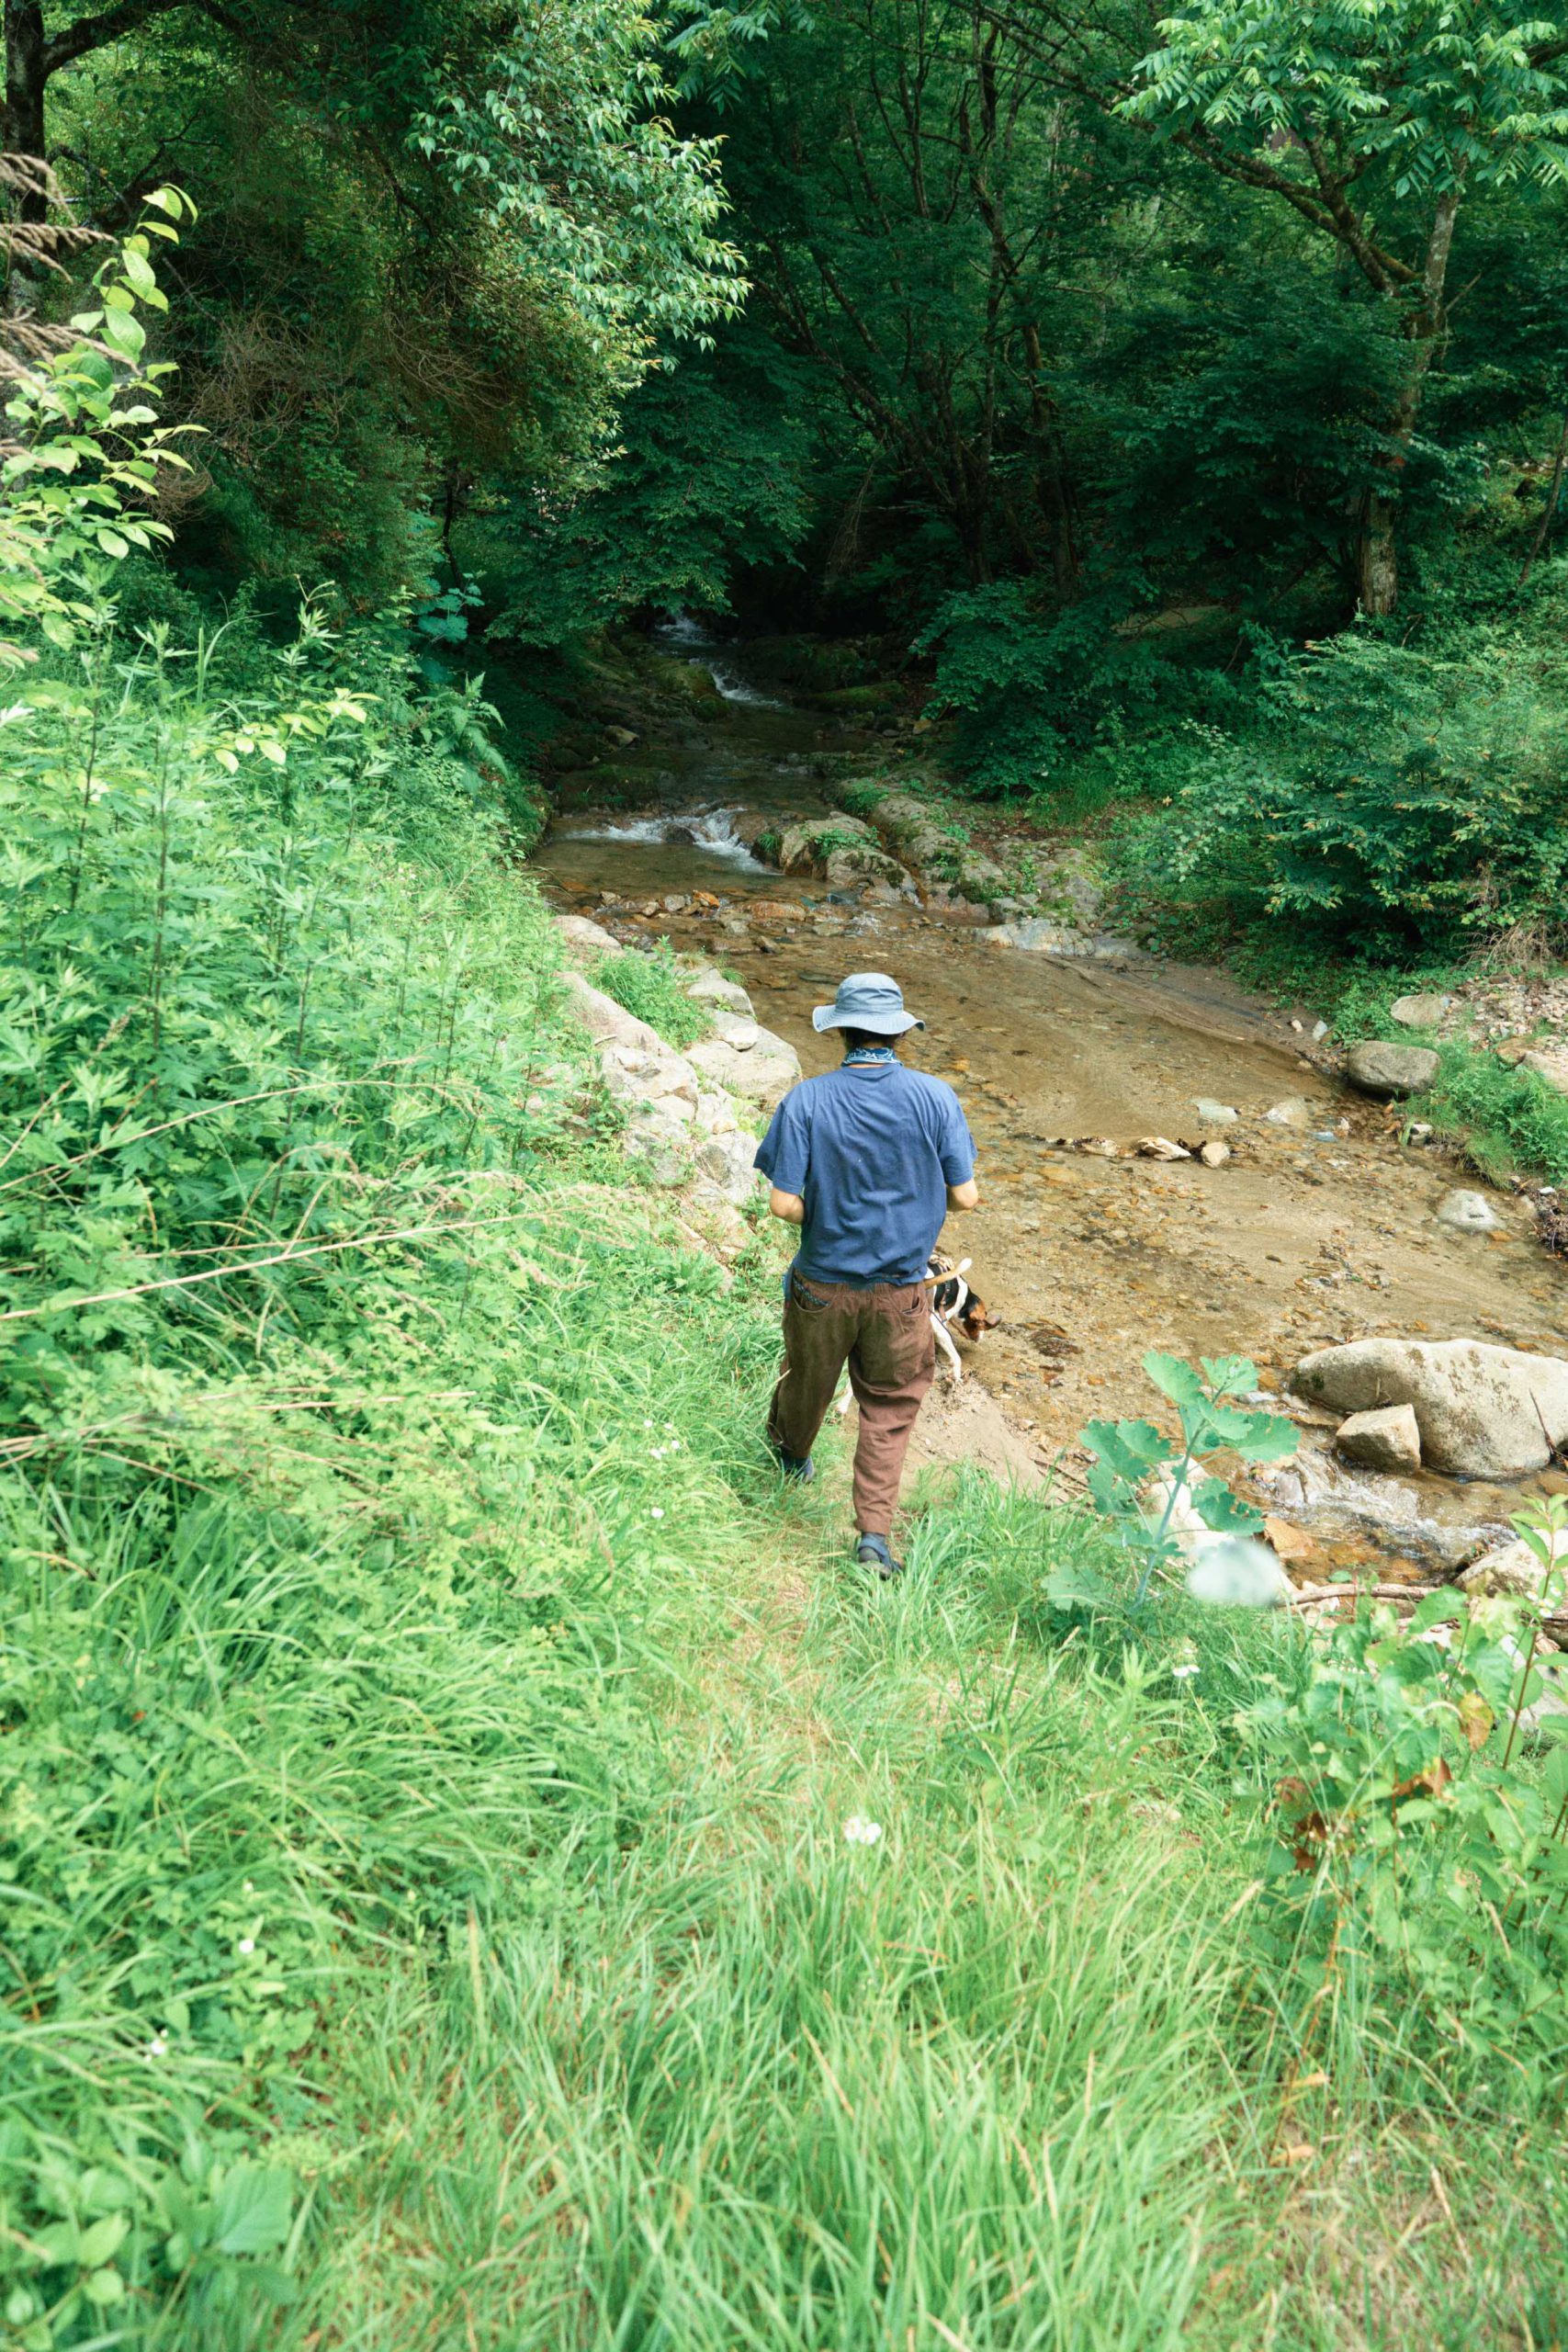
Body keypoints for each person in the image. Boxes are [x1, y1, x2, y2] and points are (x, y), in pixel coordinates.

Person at [752, 971, 978, 1579]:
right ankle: (873, 1538)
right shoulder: (936, 1098)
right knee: (887, 1407)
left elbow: (781, 1203)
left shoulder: (806, 1100)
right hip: (901, 1292)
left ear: (841, 1034)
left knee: (807, 1379)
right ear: (900, 1033)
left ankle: (791, 1458)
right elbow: (966, 1197)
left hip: (822, 1285)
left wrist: (822, 1213)